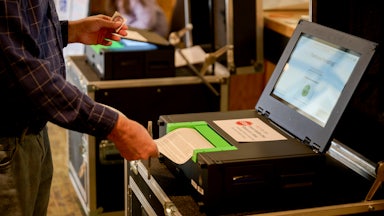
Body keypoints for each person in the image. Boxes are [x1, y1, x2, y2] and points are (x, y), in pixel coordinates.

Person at [0, 1, 159, 215]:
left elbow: (22, 32)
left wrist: (71, 30)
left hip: (33, 131)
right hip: (8, 143)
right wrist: (117, 127)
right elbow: (21, 70)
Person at [105, 0, 169, 37]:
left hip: (154, 34)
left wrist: (125, 28)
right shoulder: (117, 2)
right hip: (137, 32)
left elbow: (147, 23)